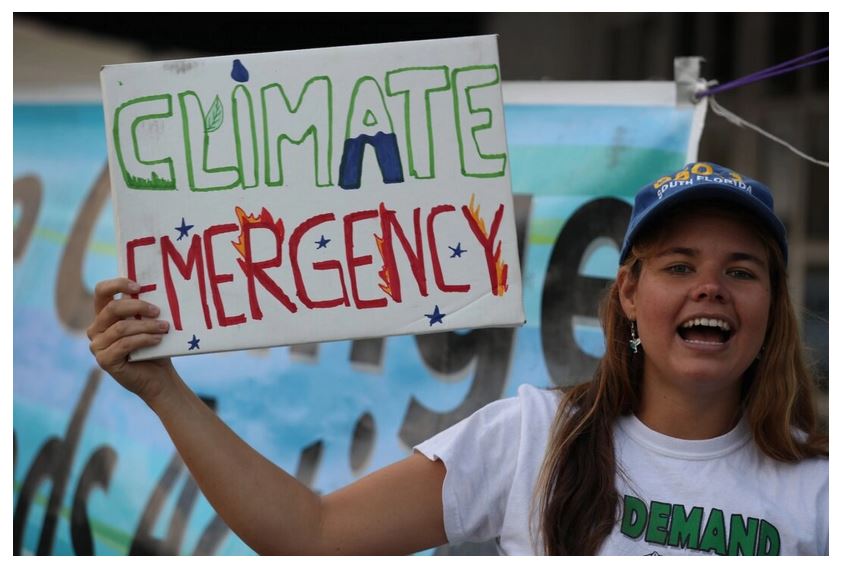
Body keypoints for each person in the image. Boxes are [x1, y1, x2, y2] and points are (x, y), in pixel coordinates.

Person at [88, 162, 828, 555]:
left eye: (740, 270)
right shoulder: (535, 437)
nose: (711, 287)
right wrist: (163, 390)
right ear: (628, 293)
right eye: (677, 266)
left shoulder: (821, 489)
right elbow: (311, 536)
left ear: (769, 304)